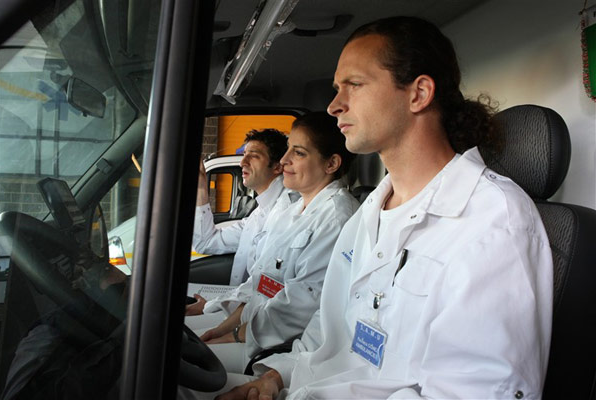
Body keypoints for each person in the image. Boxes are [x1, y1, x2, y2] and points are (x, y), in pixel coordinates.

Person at [212, 16, 553, 400]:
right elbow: (328, 331)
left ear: (418, 94)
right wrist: (276, 377)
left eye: (354, 85)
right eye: (336, 88)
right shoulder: (370, 212)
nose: (335, 105)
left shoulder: (493, 222)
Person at [185, 112, 359, 375]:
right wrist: (224, 327)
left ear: (331, 163)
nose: (285, 160)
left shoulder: (336, 219)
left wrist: (234, 334)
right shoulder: (293, 211)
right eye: (288, 150)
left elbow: (299, 306)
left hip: (281, 347)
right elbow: (258, 284)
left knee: (179, 367)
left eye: (298, 153)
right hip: (254, 325)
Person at [187, 129, 291, 316]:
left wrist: (211, 306)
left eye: (254, 156)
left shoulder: (287, 212)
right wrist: (202, 188)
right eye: (244, 154)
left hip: (257, 314)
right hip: (242, 309)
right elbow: (206, 242)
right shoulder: (258, 214)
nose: (243, 162)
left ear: (277, 167)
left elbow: (266, 283)